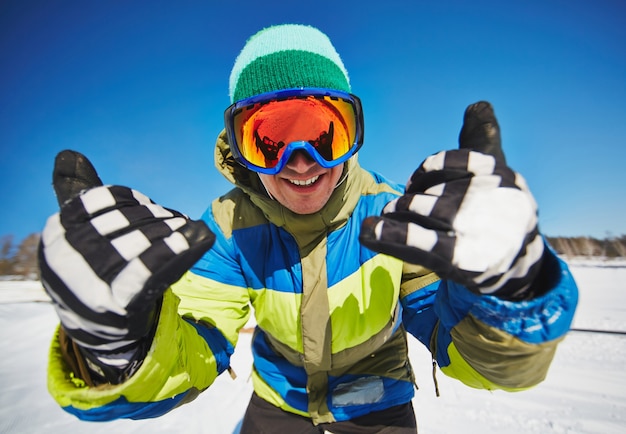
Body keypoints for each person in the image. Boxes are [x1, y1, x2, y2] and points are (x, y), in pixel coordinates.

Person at [38, 24, 578, 433]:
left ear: (353, 134)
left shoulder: (394, 218)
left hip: (380, 407)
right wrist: (118, 349)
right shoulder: (227, 229)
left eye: (323, 132)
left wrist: (509, 293)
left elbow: (462, 347)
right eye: (270, 139)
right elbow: (198, 344)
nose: (301, 162)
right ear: (242, 151)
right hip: (279, 406)